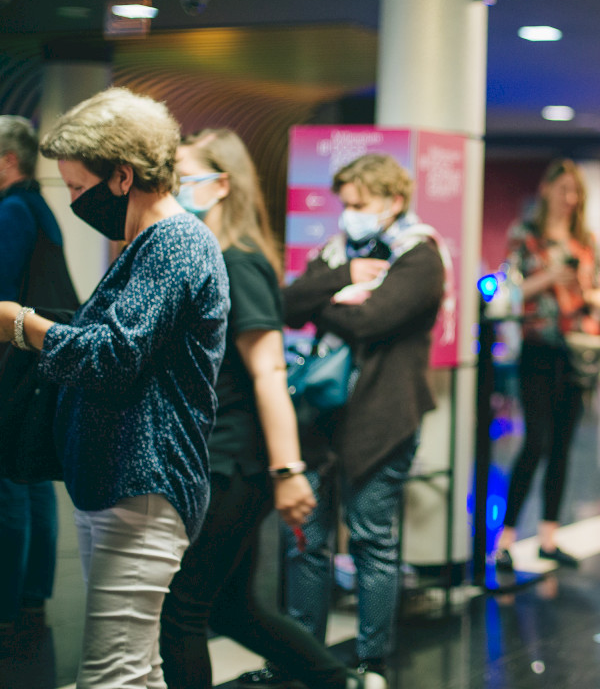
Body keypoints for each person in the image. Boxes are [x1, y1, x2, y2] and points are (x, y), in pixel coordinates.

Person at [0, 87, 230, 689]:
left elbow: (111, 357)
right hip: (120, 478)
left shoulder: (175, 243)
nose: (75, 201)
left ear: (123, 176)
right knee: (135, 671)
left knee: (111, 676)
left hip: (142, 480)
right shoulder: (151, 244)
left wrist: (20, 325)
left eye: (78, 187)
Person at [158, 130, 384, 689]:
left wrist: (287, 471)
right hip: (223, 454)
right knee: (231, 607)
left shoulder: (238, 262)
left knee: (181, 607)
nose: (170, 185)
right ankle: (342, 682)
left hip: (236, 459)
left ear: (221, 184)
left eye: (182, 173)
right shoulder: (211, 256)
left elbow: (269, 372)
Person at [277, 153, 447, 679]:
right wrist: (344, 279)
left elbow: (371, 320)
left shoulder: (419, 255)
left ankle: (373, 661)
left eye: (360, 203)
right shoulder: (337, 254)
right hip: (318, 418)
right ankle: (303, 659)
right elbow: (286, 305)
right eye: (345, 204)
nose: (349, 214)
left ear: (393, 201)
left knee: (373, 541)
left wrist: (325, 299)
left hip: (382, 420)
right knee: (306, 542)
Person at [494, 159, 600, 571]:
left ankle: (548, 537)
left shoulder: (586, 240)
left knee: (563, 445)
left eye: (575, 191)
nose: (570, 198)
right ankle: (505, 540)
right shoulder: (525, 236)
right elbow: (508, 293)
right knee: (536, 442)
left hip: (577, 351)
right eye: (563, 189)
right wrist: (548, 278)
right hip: (538, 348)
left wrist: (583, 290)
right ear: (546, 190)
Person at [0, 116, 76, 639]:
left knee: (9, 478)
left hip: (16, 357)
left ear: (8, 160)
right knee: (33, 478)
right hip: (38, 356)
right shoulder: (39, 207)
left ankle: (5, 604)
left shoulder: (11, 210)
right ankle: (30, 596)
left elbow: (2, 294)